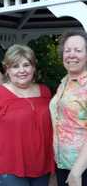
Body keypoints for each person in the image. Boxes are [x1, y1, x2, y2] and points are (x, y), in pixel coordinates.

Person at [0, 44, 55, 186]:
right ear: (7, 70)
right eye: (15, 66)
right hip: (9, 168)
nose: (22, 70)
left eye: (26, 65)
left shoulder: (45, 92)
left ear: (33, 67)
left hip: (42, 168)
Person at [49, 30, 87, 186]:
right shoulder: (65, 82)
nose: (72, 55)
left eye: (78, 50)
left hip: (82, 168)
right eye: (67, 50)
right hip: (63, 164)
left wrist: (77, 171)